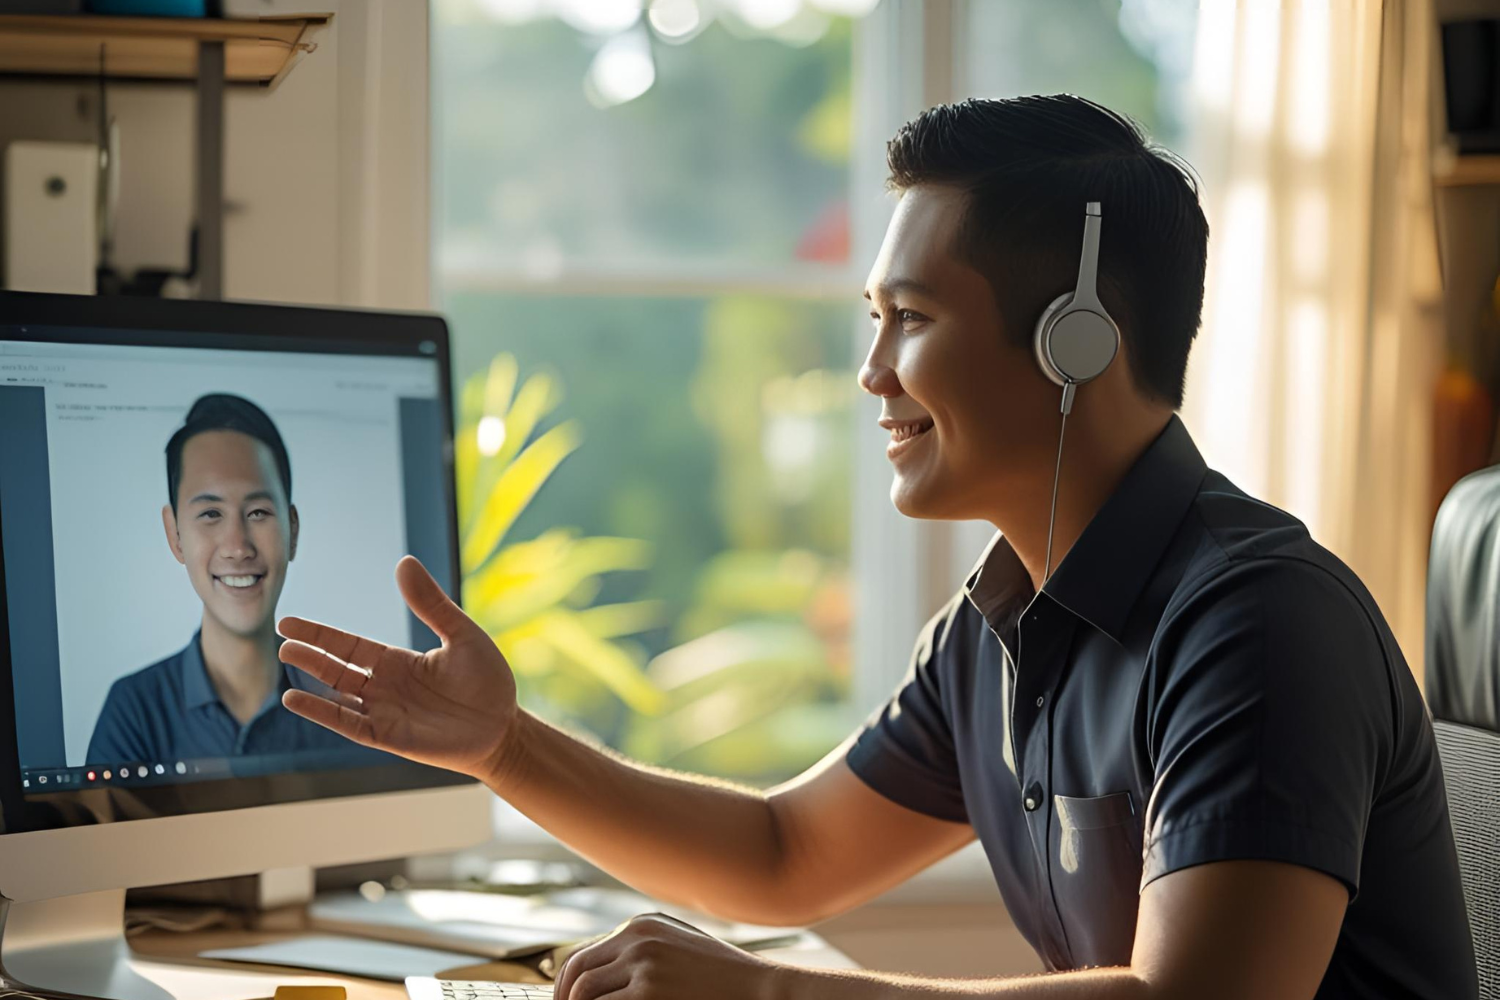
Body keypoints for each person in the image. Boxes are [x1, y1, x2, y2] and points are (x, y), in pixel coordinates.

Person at [278, 97, 1477, 999]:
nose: (871, 374)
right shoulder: (993, 632)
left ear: (1075, 342)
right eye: (874, 321)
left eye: (911, 320)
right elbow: (783, 853)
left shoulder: (1258, 622)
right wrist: (501, 745)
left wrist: (765, 989)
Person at [87, 393, 354, 766]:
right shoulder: (134, 712)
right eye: (211, 513)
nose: (237, 547)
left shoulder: (345, 706)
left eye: (258, 512)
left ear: (292, 530)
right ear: (175, 534)